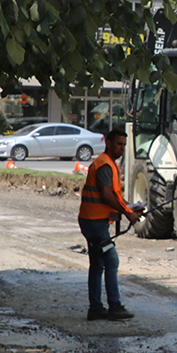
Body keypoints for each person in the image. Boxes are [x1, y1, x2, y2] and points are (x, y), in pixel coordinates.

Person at [76, 129, 142, 321]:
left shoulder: (109, 164)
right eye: (119, 144)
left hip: (93, 221)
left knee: (97, 264)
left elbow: (113, 196)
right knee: (111, 260)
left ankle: (96, 308)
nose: (122, 148)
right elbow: (106, 195)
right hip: (94, 224)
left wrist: (129, 208)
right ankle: (114, 306)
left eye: (124, 145)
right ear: (109, 144)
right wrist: (128, 213)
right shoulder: (105, 165)